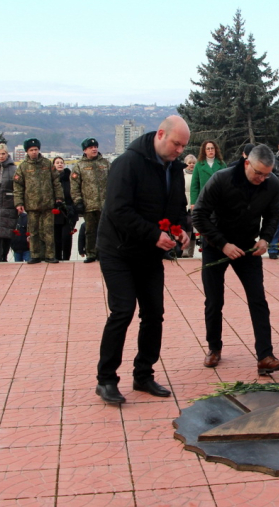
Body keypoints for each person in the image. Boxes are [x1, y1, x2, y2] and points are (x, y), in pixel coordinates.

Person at [95, 115, 190, 405]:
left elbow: (175, 204)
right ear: (161, 134)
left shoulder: (172, 167)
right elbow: (117, 210)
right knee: (122, 311)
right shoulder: (127, 163)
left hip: (149, 252)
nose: (179, 151)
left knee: (154, 313)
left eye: (183, 146)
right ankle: (106, 380)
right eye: (176, 144)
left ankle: (143, 374)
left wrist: (183, 228)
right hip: (118, 249)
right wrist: (153, 234)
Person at [193, 144, 279, 375]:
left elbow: (273, 213)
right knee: (214, 300)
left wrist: (266, 238)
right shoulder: (221, 179)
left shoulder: (271, 183)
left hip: (247, 247)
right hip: (216, 245)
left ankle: (265, 356)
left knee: (258, 299)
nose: (262, 178)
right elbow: (198, 215)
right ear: (247, 163)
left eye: (267, 174)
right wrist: (222, 244)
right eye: (258, 173)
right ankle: (214, 348)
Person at [13, 138, 63, 264]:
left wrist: (59, 197)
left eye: (36, 149)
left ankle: (50, 255)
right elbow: (18, 186)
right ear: (27, 152)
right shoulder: (23, 167)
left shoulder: (47, 164)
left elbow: (56, 182)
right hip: (32, 205)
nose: (34, 152)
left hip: (47, 204)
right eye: (31, 150)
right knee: (33, 231)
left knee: (48, 231)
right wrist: (19, 203)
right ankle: (35, 255)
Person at [70, 138, 109, 263]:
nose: (94, 149)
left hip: (105, 205)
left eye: (95, 146)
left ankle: (104, 253)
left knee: (105, 231)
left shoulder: (105, 163)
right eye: (91, 147)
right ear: (85, 150)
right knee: (90, 231)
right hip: (88, 204)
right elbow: (75, 186)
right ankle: (91, 253)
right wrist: (78, 201)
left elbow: (113, 181)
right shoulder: (79, 166)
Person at [53, 157, 77, 261]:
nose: (59, 164)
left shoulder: (70, 178)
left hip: (69, 212)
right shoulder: (50, 178)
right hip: (55, 212)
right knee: (56, 238)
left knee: (66, 237)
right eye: (57, 163)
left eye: (61, 163)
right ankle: (57, 257)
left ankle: (66, 258)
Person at [189, 140, 225, 209]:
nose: (210, 150)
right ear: (204, 151)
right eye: (208, 149)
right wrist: (193, 202)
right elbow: (194, 185)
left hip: (219, 200)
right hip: (204, 200)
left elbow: (227, 183)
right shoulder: (198, 165)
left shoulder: (222, 164)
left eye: (212, 148)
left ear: (215, 150)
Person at [182, 154, 197, 258]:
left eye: (193, 163)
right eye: (189, 163)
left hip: (195, 203)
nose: (191, 165)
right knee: (187, 224)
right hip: (184, 203)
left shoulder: (197, 175)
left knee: (193, 228)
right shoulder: (181, 174)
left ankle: (190, 252)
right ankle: (185, 249)